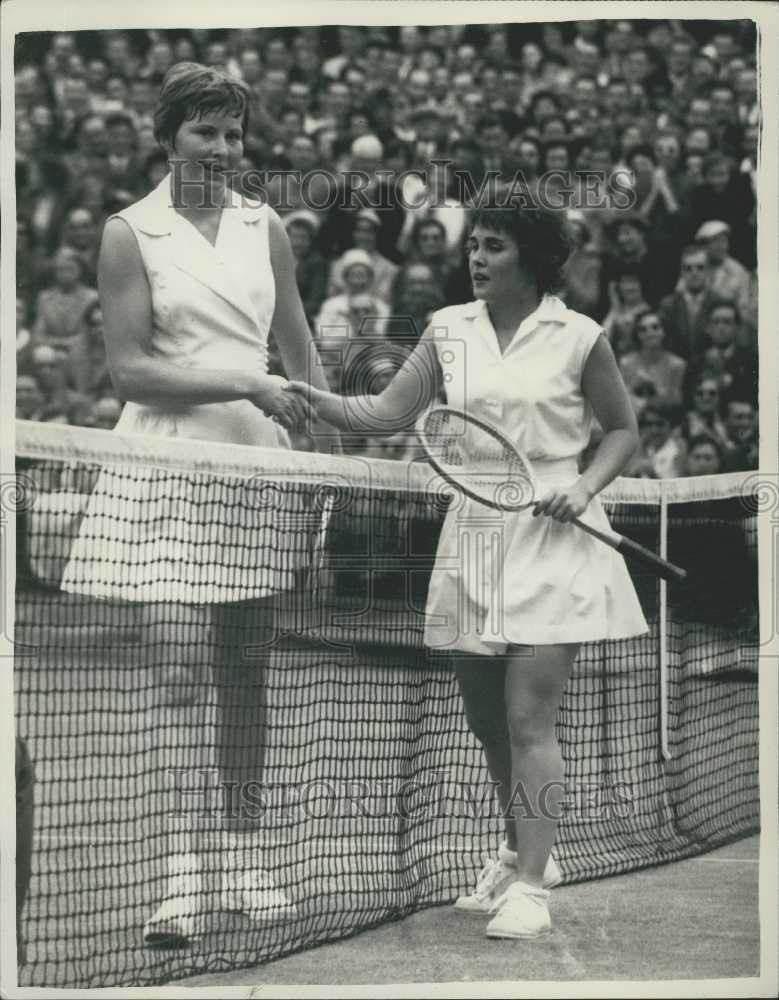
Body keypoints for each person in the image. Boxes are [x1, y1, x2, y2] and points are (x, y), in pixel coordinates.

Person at [287, 200, 647, 939]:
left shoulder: (580, 336)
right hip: (472, 533)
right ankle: (523, 850)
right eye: (474, 245)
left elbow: (621, 432)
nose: (476, 258)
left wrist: (582, 486)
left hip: (556, 535)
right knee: (486, 723)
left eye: (495, 246)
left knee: (527, 717)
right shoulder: (447, 327)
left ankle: (530, 890)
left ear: (535, 258)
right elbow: (387, 411)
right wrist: (310, 397)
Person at [58, 62, 335, 949]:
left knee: (246, 680)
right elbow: (132, 370)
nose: (223, 147)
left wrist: (330, 453)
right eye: (205, 131)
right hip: (170, 468)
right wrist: (244, 383)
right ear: (168, 134)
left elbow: (304, 364)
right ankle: (181, 878)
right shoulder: (127, 232)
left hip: (258, 471)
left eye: (233, 131)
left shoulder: (267, 229)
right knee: (178, 675)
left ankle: (245, 859)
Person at [618, 308, 686, 410]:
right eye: (643, 329)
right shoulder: (626, 363)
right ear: (637, 335)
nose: (649, 333)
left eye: (655, 327)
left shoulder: (677, 365)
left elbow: (677, 401)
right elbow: (621, 399)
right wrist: (635, 385)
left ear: (664, 332)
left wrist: (656, 388)